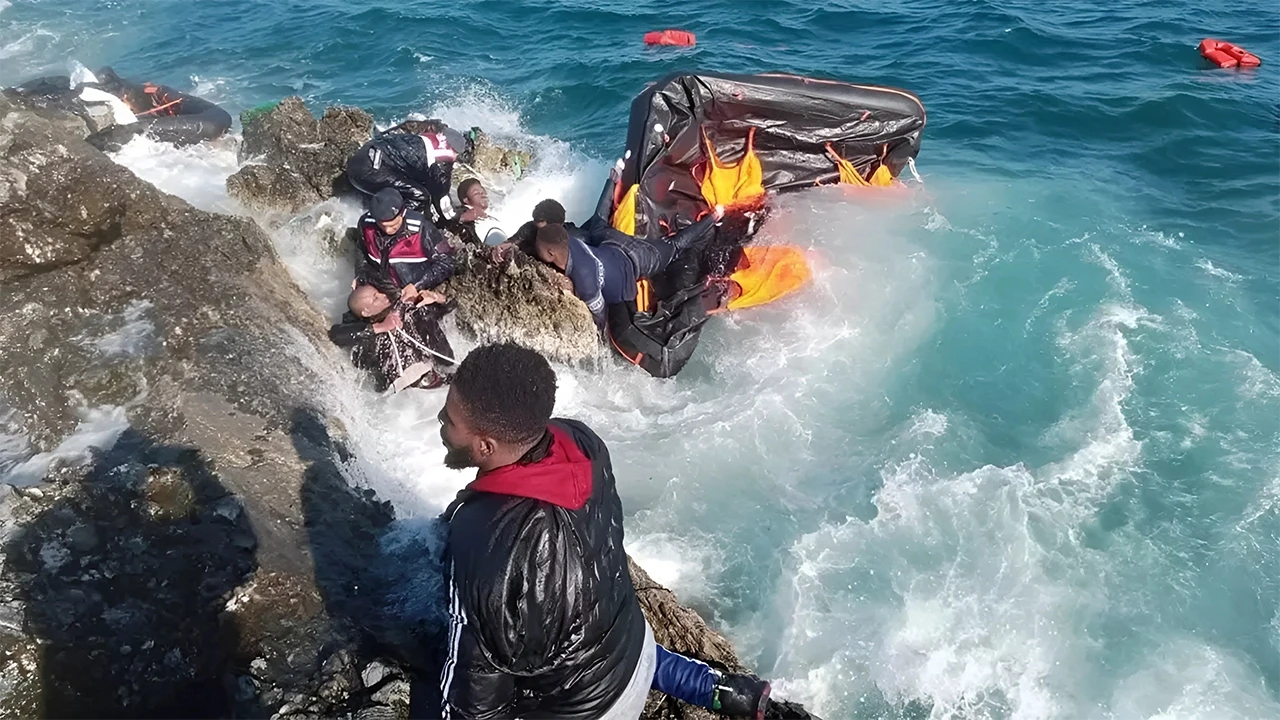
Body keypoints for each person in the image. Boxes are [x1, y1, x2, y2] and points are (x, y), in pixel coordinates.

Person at [430, 342, 770, 720]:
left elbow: (473, 694)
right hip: (633, 647)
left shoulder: (484, 542)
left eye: (449, 420)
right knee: (598, 643)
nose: (440, 422)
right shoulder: (579, 442)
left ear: (485, 445)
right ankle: (721, 689)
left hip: (593, 712)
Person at [532, 201, 721, 330]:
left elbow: (600, 319)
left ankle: (713, 217)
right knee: (598, 222)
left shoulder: (586, 283)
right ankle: (614, 177)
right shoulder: (571, 238)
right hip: (609, 241)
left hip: (637, 258)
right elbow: (596, 219)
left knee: (675, 246)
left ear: (551, 254)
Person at [328, 283, 455, 392]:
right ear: (366, 312)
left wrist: (437, 297)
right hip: (405, 393)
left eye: (378, 293)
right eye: (375, 299)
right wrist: (381, 327)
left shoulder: (406, 307)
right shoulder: (368, 337)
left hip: (438, 376)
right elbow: (336, 335)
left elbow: (452, 305)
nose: (383, 296)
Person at [347, 123, 469, 223]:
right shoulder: (442, 161)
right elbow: (442, 201)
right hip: (367, 173)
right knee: (420, 196)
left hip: (362, 156)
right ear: (455, 153)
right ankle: (394, 223)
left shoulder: (425, 138)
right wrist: (459, 217)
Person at [357, 188, 456, 303]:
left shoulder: (422, 229)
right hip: (384, 289)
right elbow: (361, 250)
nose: (388, 230)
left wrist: (417, 285)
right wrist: (360, 274)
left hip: (419, 289)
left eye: (393, 225)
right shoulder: (365, 224)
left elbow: (447, 263)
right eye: (382, 225)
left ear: (402, 214)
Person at [440, 178, 489, 245]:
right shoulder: (464, 213)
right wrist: (463, 217)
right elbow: (449, 218)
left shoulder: (494, 213)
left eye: (483, 191)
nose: (482, 194)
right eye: (476, 193)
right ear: (466, 200)